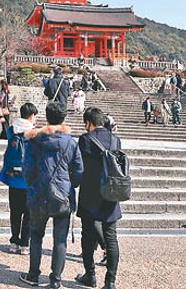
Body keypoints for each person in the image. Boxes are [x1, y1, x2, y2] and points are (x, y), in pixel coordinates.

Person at [20, 102, 83, 289]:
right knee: (60, 239)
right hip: (62, 195)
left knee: (36, 235)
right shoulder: (71, 143)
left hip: (38, 192)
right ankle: (55, 280)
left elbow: (27, 168)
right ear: (63, 119)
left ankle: (33, 275)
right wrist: (70, 184)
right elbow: (79, 171)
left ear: (47, 118)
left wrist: (33, 183)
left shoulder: (34, 140)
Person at [74, 107, 122, 289]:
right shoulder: (115, 140)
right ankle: (110, 282)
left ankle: (90, 275)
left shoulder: (85, 140)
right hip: (111, 193)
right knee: (111, 237)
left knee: (87, 236)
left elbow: (79, 167)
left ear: (88, 123)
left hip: (89, 194)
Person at [0, 102, 38, 255]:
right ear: (31, 116)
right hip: (29, 180)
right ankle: (24, 245)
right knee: (28, 214)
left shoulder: (11, 130)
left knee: (15, 212)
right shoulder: (34, 133)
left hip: (13, 178)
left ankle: (14, 241)